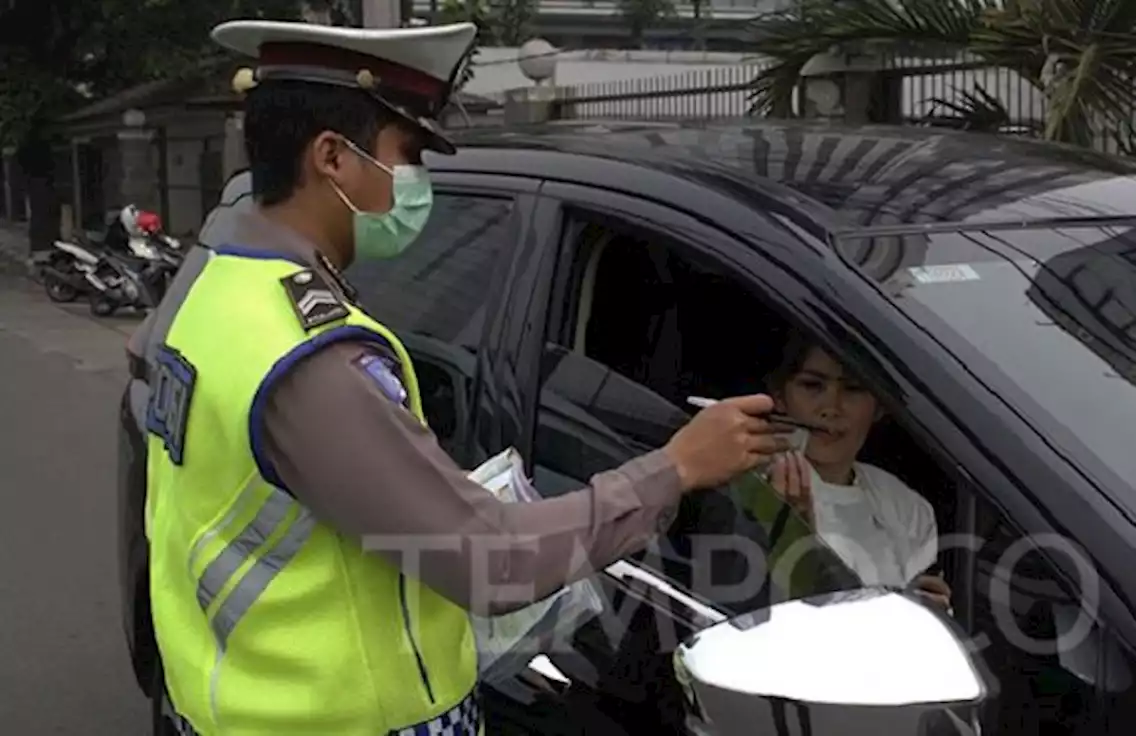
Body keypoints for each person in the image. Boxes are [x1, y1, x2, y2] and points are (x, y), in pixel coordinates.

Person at [127, 19, 791, 736]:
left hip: (235, 699)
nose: (418, 183)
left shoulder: (214, 291)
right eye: (406, 155)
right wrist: (677, 467)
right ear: (331, 158)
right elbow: (491, 563)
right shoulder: (311, 356)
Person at [761, 333, 951, 608]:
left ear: (879, 406)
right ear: (780, 397)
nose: (831, 408)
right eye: (812, 385)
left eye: (852, 389)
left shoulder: (907, 508)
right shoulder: (752, 482)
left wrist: (931, 609)